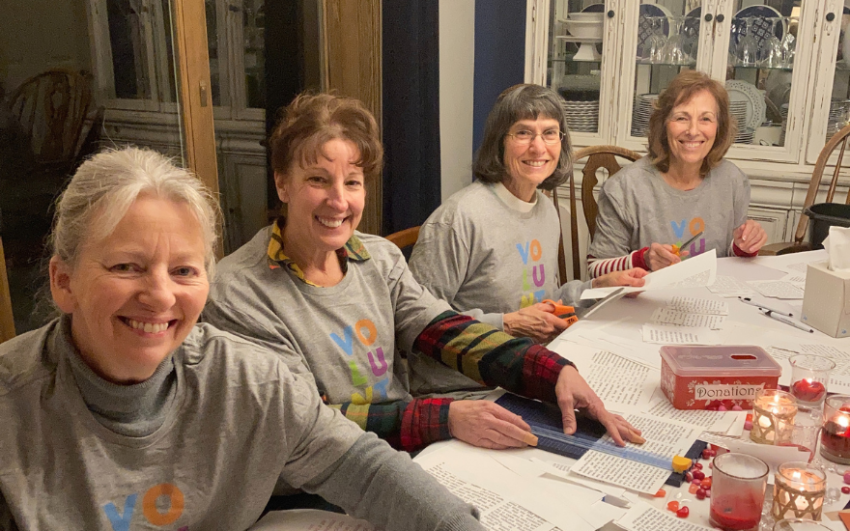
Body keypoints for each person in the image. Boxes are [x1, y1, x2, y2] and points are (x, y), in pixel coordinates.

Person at [0, 147, 487, 531]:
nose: (160, 295)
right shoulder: (13, 411)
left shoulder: (249, 381)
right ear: (64, 281)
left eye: (184, 270)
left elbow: (362, 466)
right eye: (127, 266)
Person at [204, 92, 641, 455]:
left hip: (403, 446)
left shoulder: (377, 259)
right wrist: (445, 418)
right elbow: (302, 423)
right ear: (282, 184)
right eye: (319, 179)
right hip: (323, 472)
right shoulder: (238, 289)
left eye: (352, 182)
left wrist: (553, 372)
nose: (338, 201)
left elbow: (445, 330)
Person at [409, 83, 647, 347]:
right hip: (471, 385)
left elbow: (544, 303)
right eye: (523, 133)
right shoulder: (458, 219)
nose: (538, 148)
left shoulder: (546, 210)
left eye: (549, 133)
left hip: (528, 364)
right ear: (499, 143)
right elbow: (414, 323)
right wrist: (508, 324)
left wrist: (596, 287)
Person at [586, 70, 767, 278]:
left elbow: (731, 261)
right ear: (663, 125)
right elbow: (596, 270)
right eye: (682, 118)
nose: (693, 131)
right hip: (645, 305)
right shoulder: (624, 188)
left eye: (705, 119)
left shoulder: (733, 181)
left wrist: (744, 246)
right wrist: (643, 260)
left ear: (719, 128)